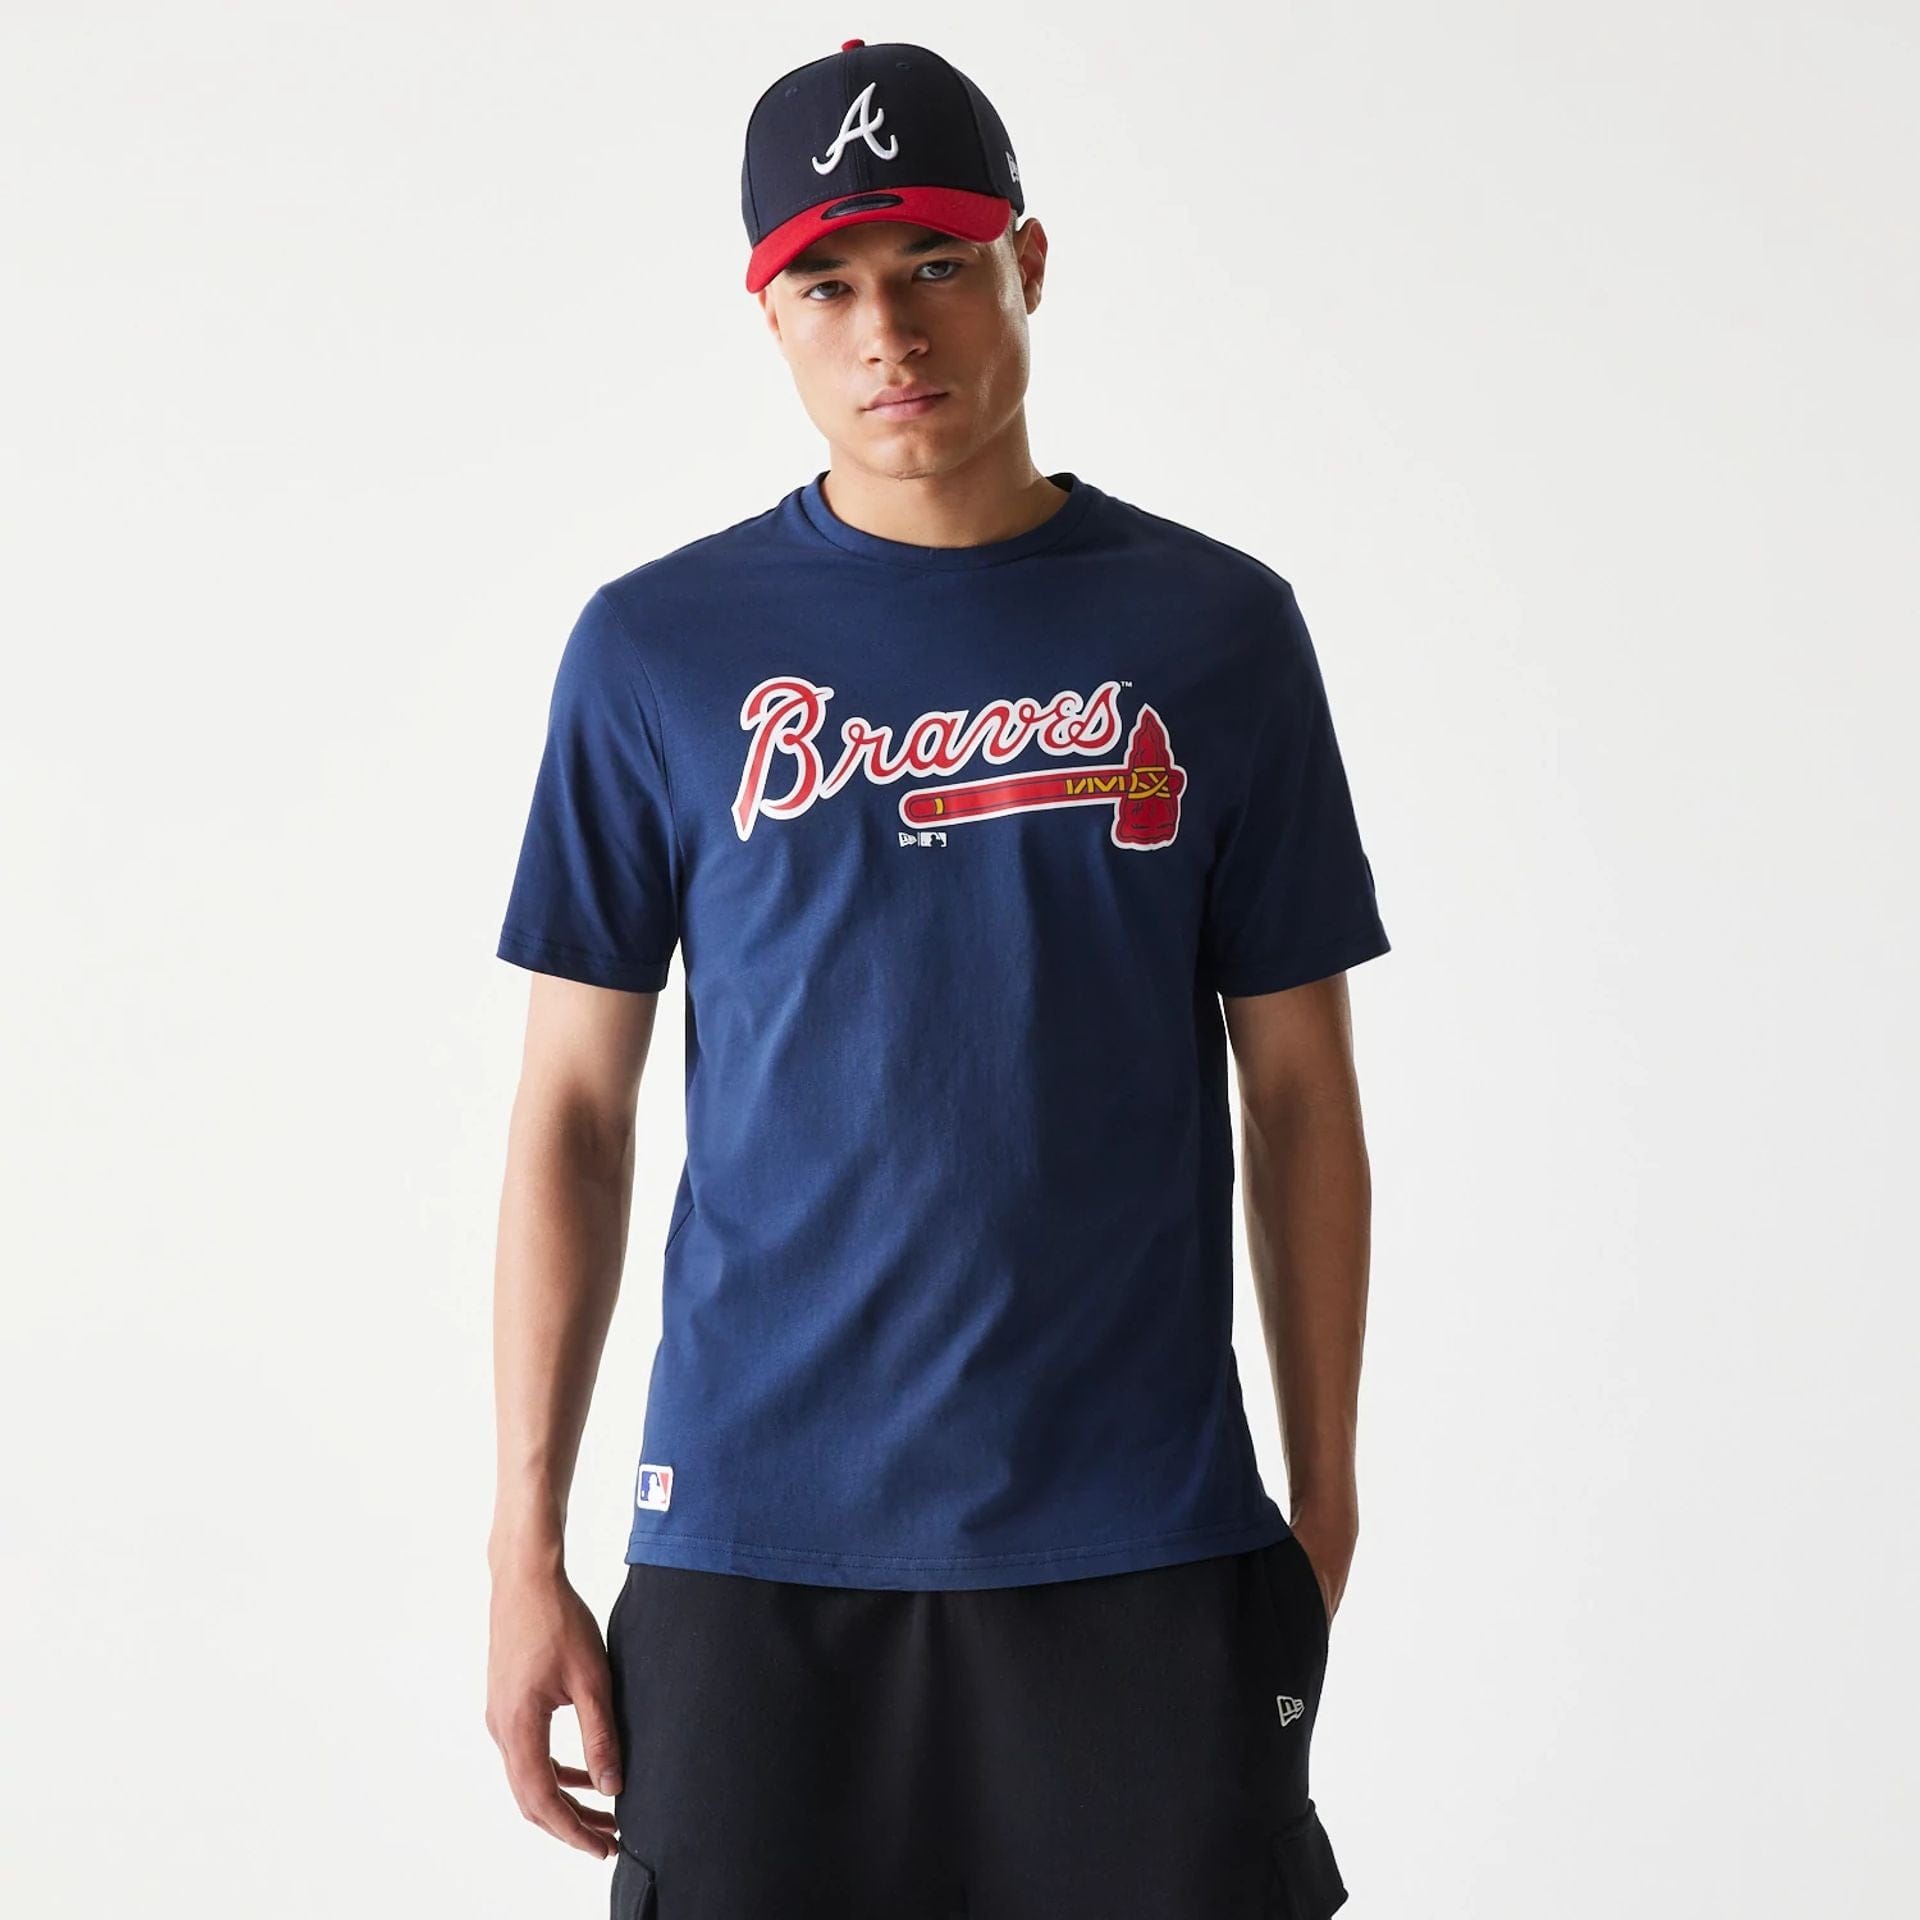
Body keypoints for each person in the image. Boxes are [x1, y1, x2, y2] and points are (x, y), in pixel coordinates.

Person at [485, 36, 1387, 1920]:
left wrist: (1323, 1499)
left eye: (936, 267)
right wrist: (522, 1542)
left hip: (1138, 1535)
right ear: (770, 314)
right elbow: (575, 1106)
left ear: (1028, 265)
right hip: (753, 1542)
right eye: (827, 284)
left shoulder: (1218, 633)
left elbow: (1301, 1086)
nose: (888, 331)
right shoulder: (657, 650)